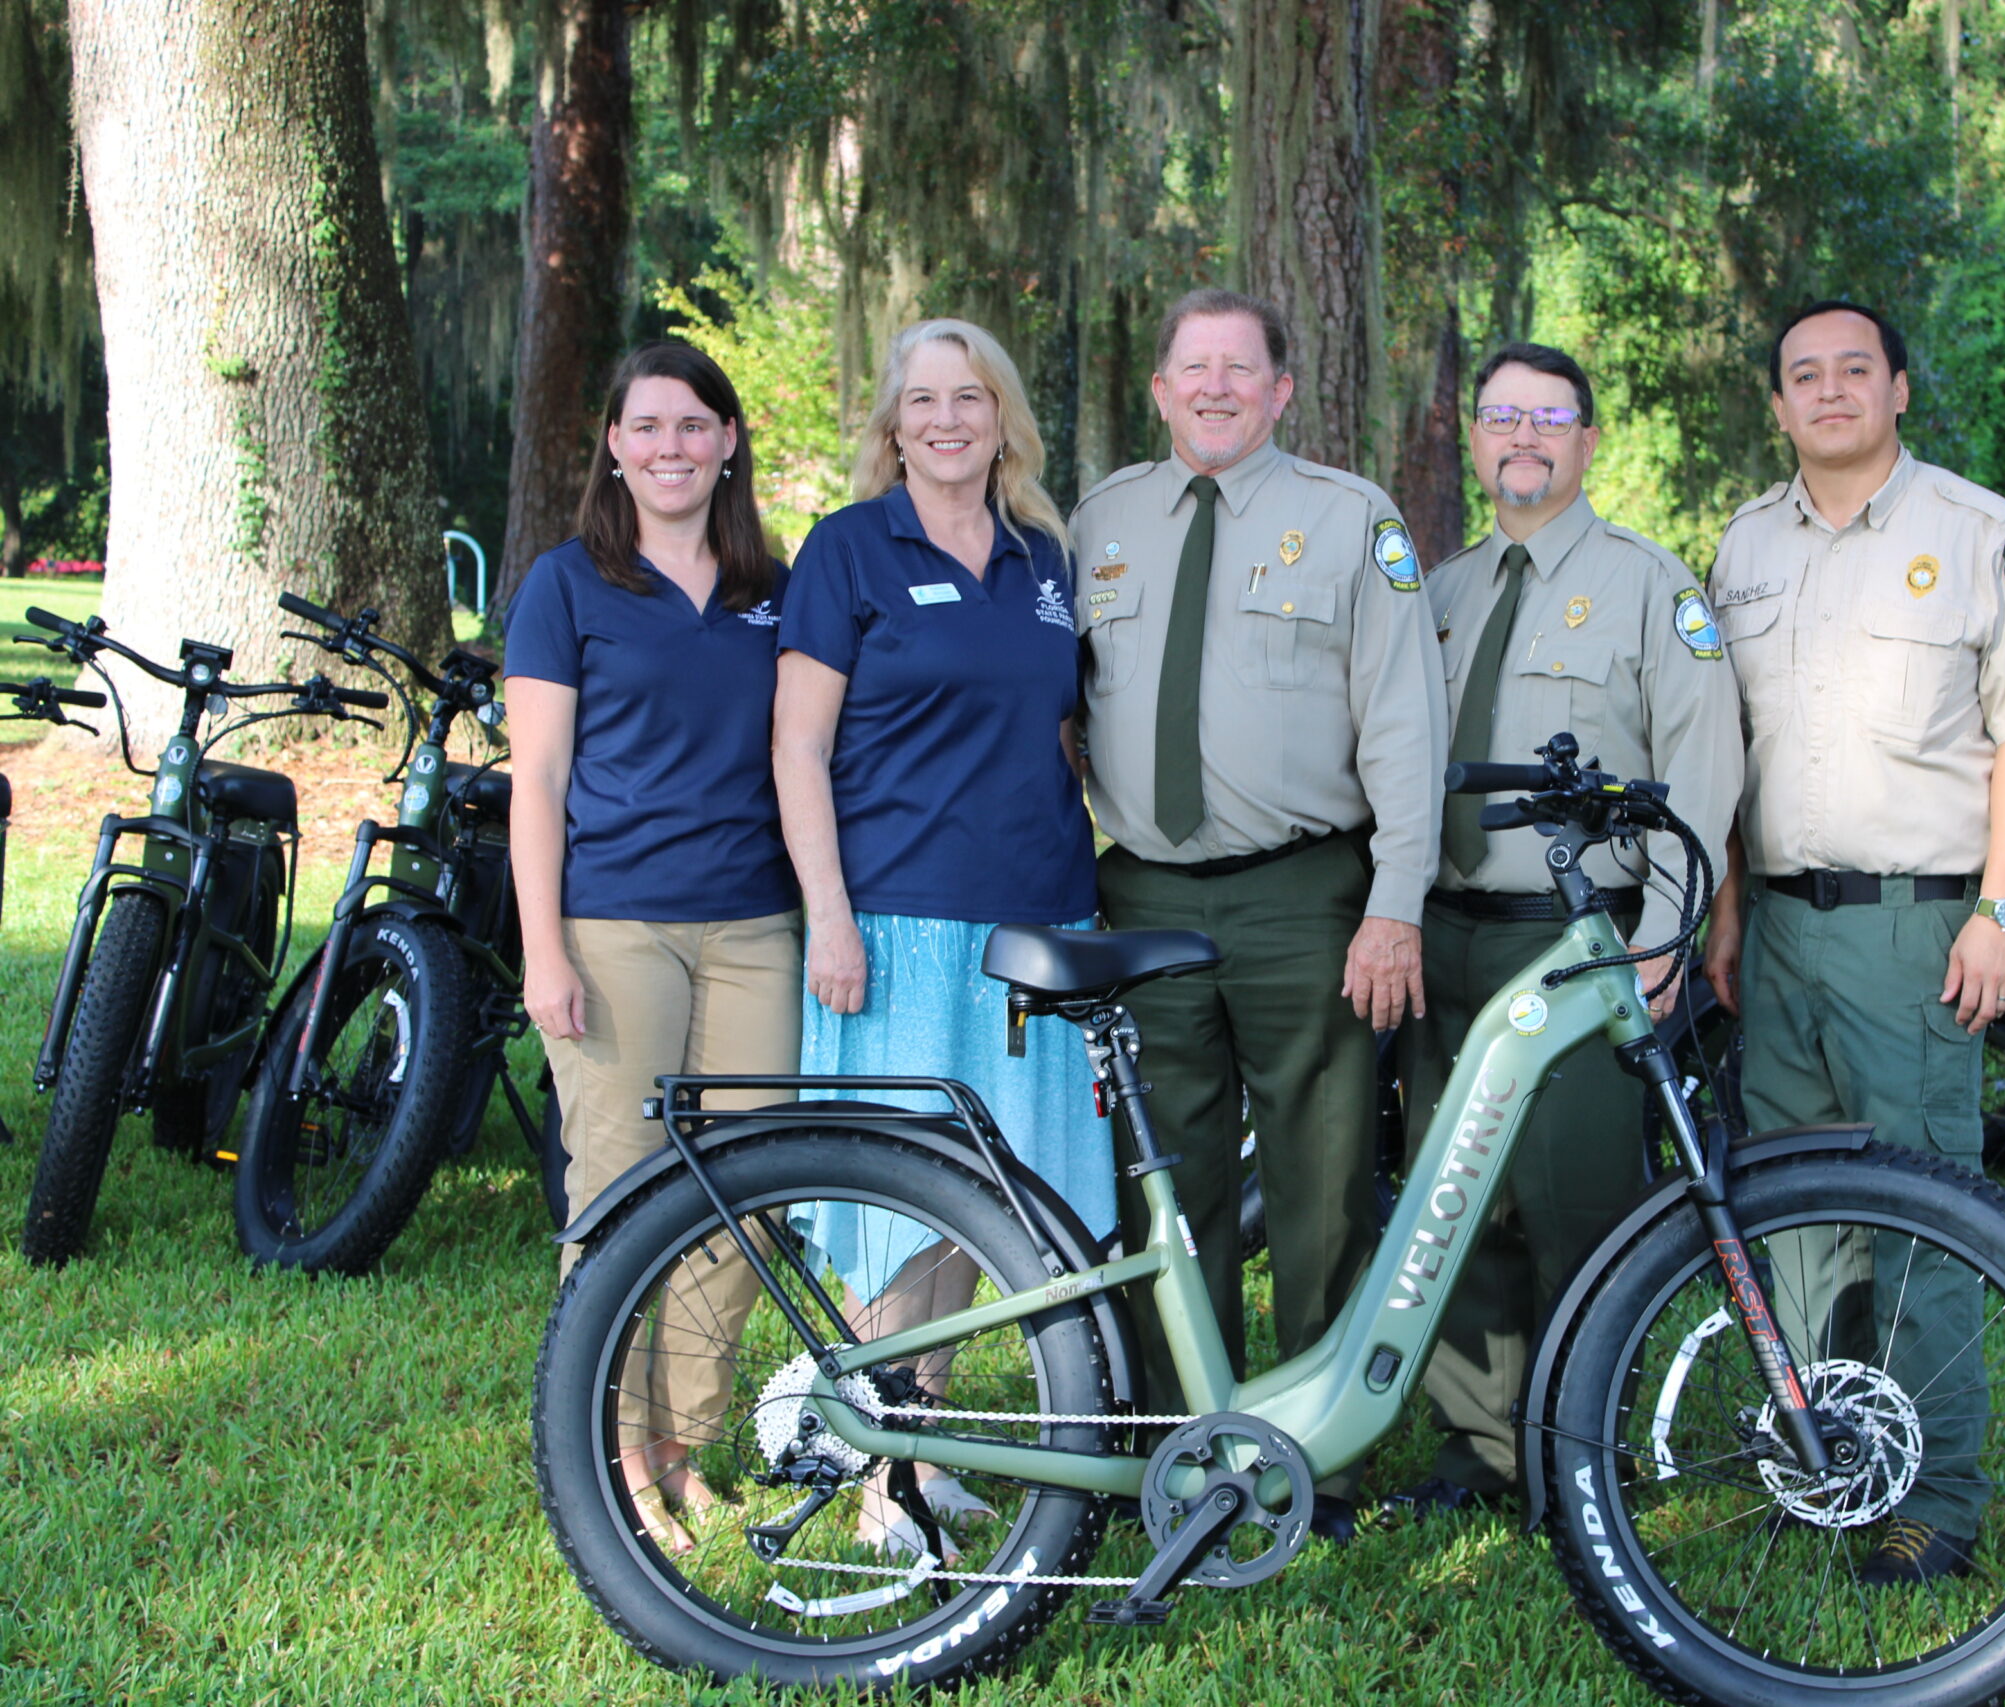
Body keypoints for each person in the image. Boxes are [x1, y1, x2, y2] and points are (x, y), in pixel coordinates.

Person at [1700, 299, 2005, 1584]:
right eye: (1801, 376)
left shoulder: (1979, 535)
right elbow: (1726, 753)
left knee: (1923, 1217)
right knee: (1797, 1226)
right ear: (1776, 405)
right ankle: (1825, 1462)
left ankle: (1938, 1501)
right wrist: (1724, 911)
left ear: (1899, 390)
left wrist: (2002, 910)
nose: (1827, 392)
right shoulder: (1744, 548)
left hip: (1917, 928)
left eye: (1851, 371)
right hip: (1776, 931)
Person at [1072, 288, 1446, 1536]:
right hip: (1141, 897)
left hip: (1306, 897)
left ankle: (1315, 1460)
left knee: (1322, 1180)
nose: (1218, 387)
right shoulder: (1100, 523)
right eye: (1195, 368)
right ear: (1161, 390)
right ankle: (1185, 1454)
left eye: (1243, 368)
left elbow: (1403, 720)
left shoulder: (1351, 522)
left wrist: (1394, 903)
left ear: (1284, 390)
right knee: (1159, 1185)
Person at [772, 318, 1107, 1554]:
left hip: (1038, 921)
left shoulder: (1046, 557)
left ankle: (932, 1443)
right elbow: (796, 748)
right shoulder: (848, 551)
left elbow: (1070, 734)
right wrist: (828, 917)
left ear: (1003, 417)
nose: (948, 420)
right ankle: (878, 1474)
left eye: (970, 398)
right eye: (923, 401)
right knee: (897, 1200)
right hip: (900, 922)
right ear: (892, 424)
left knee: (993, 1199)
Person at [1391, 341, 1744, 1516]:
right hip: (1445, 938)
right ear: (1476, 440)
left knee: (1575, 1200)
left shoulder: (1653, 587)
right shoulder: (1438, 594)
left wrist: (1664, 936)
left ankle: (1588, 1446)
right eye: (1502, 416)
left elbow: (1704, 767)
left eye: (1550, 417)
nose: (1524, 437)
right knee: (1455, 1200)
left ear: (1589, 440)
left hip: (1579, 939)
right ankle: (1484, 1448)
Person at [507, 341, 802, 1559]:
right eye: (647, 428)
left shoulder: (771, 586)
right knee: (623, 1194)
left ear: (729, 442)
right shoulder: (567, 585)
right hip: (614, 922)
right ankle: (608, 1454)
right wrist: (543, 953)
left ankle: (680, 1442)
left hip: (754, 927)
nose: (671, 447)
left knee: (744, 1195)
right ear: (615, 448)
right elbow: (538, 780)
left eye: (694, 426)